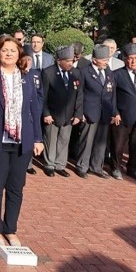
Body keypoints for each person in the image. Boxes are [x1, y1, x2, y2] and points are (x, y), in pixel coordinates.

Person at [0, 36, 44, 247]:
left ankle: (10, 229)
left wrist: (38, 138)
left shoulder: (28, 78)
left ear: (19, 54)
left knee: (16, 187)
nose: (9, 54)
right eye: (5, 50)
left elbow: (34, 110)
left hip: (22, 142)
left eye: (13, 50)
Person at [109, 44, 136, 181]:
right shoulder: (117, 74)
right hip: (121, 117)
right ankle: (116, 167)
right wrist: (114, 112)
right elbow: (110, 96)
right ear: (125, 59)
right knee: (118, 145)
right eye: (130, 58)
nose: (133, 61)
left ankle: (134, 169)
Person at [41, 46, 83, 177]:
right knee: (51, 139)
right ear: (59, 60)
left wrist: (78, 114)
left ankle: (60, 165)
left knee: (64, 140)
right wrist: (46, 113)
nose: (70, 63)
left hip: (69, 114)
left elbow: (79, 95)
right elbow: (43, 96)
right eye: (67, 61)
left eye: (72, 60)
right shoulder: (48, 73)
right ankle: (49, 164)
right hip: (53, 114)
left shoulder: (76, 73)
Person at [75, 45, 116, 179]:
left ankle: (96, 167)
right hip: (89, 112)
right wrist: (80, 113)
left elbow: (112, 94)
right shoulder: (84, 72)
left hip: (105, 112)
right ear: (94, 60)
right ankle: (82, 166)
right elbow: (79, 94)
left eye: (107, 59)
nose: (106, 62)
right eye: (104, 59)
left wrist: (113, 112)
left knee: (101, 142)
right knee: (86, 141)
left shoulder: (108, 72)